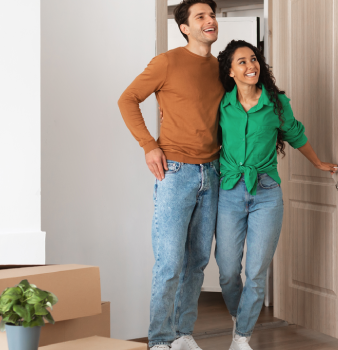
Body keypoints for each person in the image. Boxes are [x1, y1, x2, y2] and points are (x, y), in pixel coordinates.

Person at [214, 40, 336, 350]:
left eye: (253, 59)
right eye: (241, 62)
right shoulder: (221, 104)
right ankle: (239, 317)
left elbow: (296, 135)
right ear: (230, 71)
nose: (250, 65)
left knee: (256, 272)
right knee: (228, 272)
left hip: (266, 193)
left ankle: (241, 338)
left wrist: (319, 162)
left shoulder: (276, 103)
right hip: (229, 191)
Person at [117, 1, 223, 349]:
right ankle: (160, 339)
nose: (210, 21)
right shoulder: (167, 62)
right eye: (201, 17)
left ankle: (182, 334)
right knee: (169, 263)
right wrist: (149, 144)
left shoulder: (221, 68)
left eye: (212, 15)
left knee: (197, 263)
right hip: (176, 172)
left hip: (213, 172)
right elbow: (128, 99)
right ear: (184, 27)